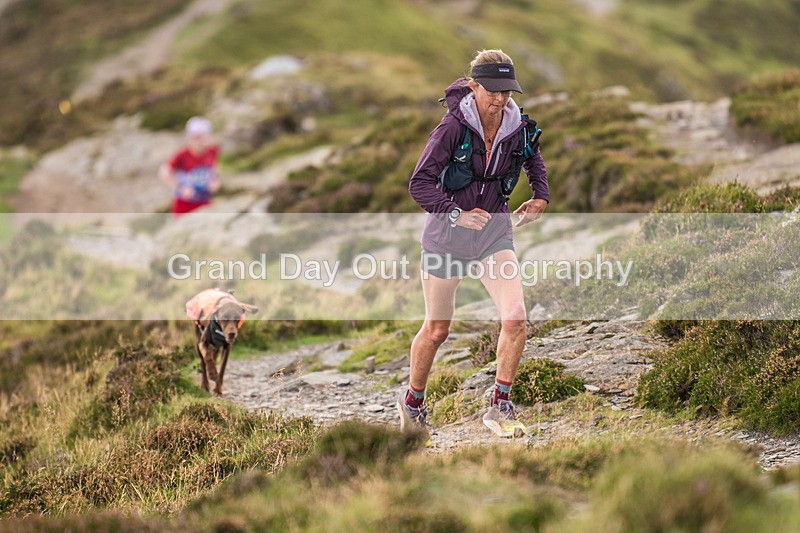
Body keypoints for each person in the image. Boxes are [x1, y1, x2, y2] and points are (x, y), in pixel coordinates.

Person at [399, 49, 549, 437]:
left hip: (493, 234)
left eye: (508, 92)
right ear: (474, 86)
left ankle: (501, 406)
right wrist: (454, 213)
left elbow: (533, 156)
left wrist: (540, 195)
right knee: (437, 330)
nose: (500, 100)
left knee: (515, 319)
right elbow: (419, 184)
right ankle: (413, 404)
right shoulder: (451, 127)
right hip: (446, 238)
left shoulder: (516, 124)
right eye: (493, 91)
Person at [159, 116, 220, 217]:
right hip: (184, 204)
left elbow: (214, 166)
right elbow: (164, 172)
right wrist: (181, 189)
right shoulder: (182, 154)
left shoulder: (212, 150)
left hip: (204, 200)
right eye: (198, 138)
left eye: (206, 137)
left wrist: (214, 180)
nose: (203, 141)